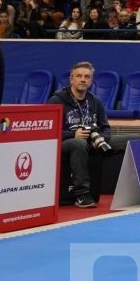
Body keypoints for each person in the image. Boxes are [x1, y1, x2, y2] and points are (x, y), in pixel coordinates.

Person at [54, 61, 117, 209]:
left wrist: (101, 139)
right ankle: (82, 194)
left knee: (126, 140)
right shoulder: (57, 100)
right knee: (79, 143)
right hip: (65, 142)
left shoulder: (96, 102)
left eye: (87, 77)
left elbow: (106, 129)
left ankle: (132, 191)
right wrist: (73, 134)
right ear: (71, 79)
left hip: (90, 141)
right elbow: (49, 131)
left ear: (91, 80)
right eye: (79, 76)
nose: (83, 79)